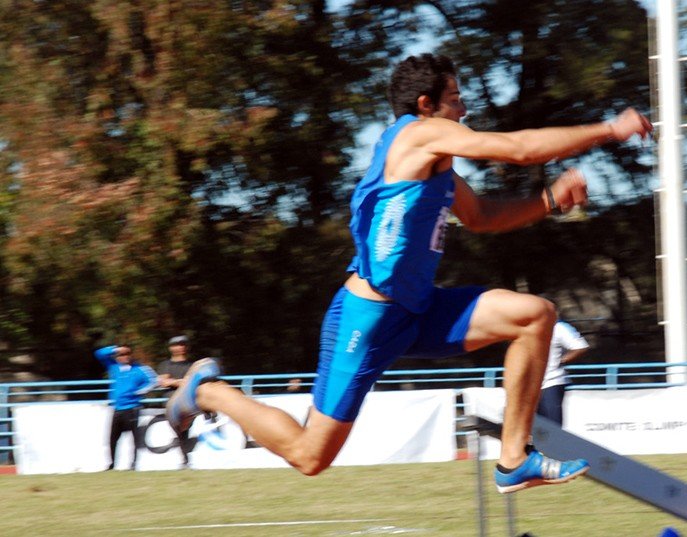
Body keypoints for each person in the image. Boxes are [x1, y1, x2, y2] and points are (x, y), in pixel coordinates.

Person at [167, 53, 651, 493]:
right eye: (456, 100)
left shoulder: (435, 163)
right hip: (367, 318)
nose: (464, 110)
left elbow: (480, 217)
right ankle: (207, 390)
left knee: (535, 316)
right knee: (310, 455)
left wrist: (547, 202)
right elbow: (518, 148)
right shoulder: (417, 135)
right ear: (427, 104)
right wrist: (610, 129)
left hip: (419, 309)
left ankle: (513, 459)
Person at [95, 344, 158, 470]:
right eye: (121, 354)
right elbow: (99, 354)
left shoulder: (139, 369)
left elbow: (153, 381)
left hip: (132, 408)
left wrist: (138, 391)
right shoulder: (114, 367)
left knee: (134, 438)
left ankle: (133, 464)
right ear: (117, 356)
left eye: (127, 353)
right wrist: (114, 349)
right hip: (117, 409)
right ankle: (112, 465)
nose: (125, 356)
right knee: (112, 438)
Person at [536, 317, 590, 426]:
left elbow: (580, 346)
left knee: (553, 426)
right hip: (530, 385)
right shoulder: (526, 327)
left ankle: (555, 443)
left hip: (551, 381)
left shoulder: (558, 327)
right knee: (535, 427)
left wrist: (562, 360)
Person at [157, 335, 194, 467]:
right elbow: (163, 382)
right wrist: (180, 382)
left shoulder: (192, 365)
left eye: (183, 344)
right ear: (171, 348)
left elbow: (190, 382)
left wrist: (173, 382)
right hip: (171, 402)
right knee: (180, 430)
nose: (181, 347)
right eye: (177, 344)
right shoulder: (165, 365)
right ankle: (185, 458)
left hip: (187, 403)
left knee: (185, 430)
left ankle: (185, 459)